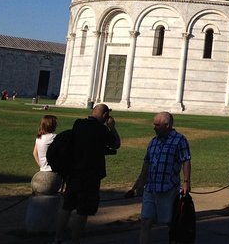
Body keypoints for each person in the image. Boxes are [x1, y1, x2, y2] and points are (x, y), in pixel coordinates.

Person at [54, 103, 120, 244]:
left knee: (67, 207)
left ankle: (57, 239)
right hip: (90, 175)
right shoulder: (101, 129)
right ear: (105, 115)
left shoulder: (78, 124)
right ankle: (74, 241)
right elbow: (116, 144)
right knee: (83, 211)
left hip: (73, 172)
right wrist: (112, 126)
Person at [129, 112, 191, 244]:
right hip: (150, 188)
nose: (154, 127)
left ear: (167, 125)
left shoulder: (180, 140)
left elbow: (186, 160)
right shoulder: (153, 142)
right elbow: (146, 164)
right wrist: (139, 184)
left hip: (168, 189)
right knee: (145, 221)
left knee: (170, 222)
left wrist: (186, 181)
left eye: (157, 125)